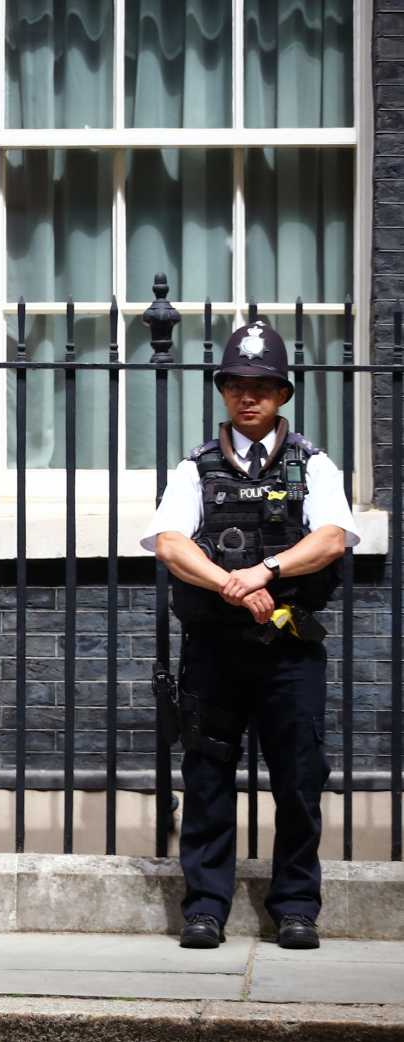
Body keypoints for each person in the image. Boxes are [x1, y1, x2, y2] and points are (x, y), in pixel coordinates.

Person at [143, 320, 356, 951]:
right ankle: (205, 908)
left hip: (290, 648)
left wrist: (265, 571)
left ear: (283, 393)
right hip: (214, 650)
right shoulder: (195, 468)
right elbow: (171, 545)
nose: (248, 395)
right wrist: (232, 584)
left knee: (299, 779)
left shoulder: (313, 465)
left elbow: (331, 539)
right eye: (236, 383)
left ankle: (296, 907)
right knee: (208, 776)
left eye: (262, 385)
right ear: (223, 390)